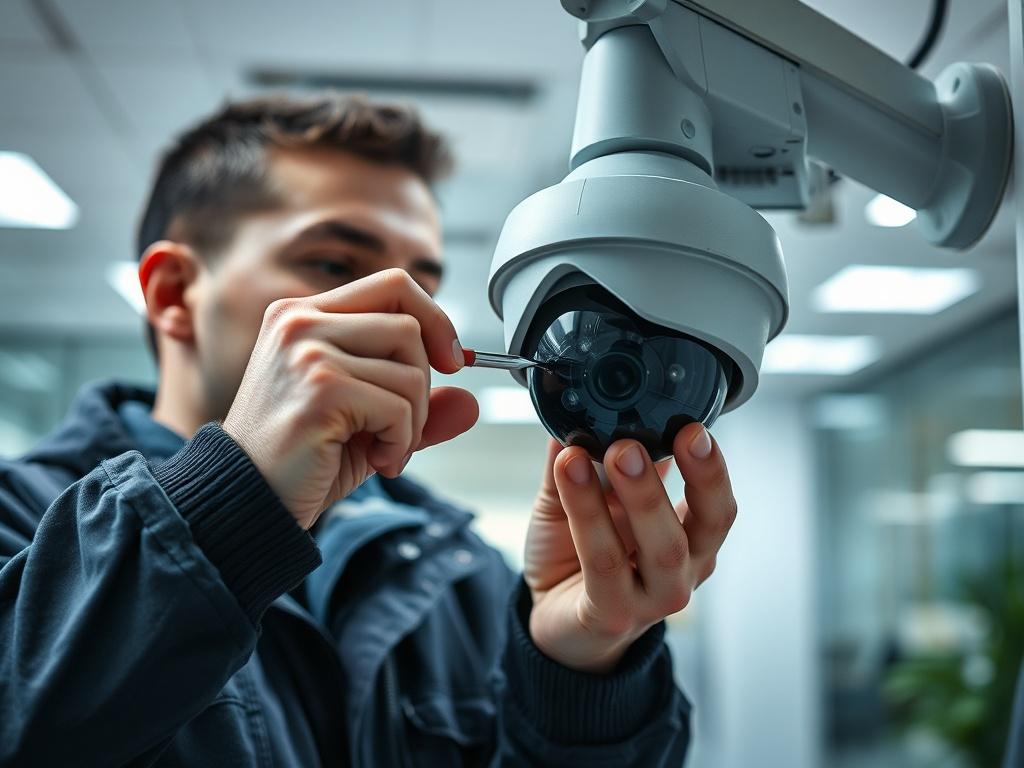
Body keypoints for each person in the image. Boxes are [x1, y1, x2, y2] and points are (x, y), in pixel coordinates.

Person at [0, 94, 739, 767]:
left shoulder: (460, 574)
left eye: (422, 282)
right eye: (331, 262)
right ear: (174, 294)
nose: (397, 314)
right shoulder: (24, 531)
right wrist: (228, 503)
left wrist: (578, 674)